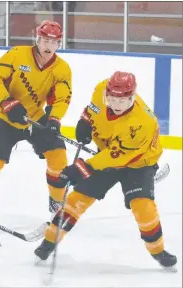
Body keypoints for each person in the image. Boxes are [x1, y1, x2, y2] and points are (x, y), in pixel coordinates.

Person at [34, 71, 177, 271]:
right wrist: (84, 122)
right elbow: (91, 110)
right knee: (77, 200)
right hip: (107, 153)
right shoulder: (102, 89)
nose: (116, 105)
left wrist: (79, 169)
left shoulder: (142, 122)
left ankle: (158, 251)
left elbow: (113, 157)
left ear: (132, 97)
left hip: (138, 164)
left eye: (123, 100)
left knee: (143, 207)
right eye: (112, 99)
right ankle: (48, 243)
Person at [0, 20, 73, 227]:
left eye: (53, 42)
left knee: (58, 155)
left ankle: (56, 202)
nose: (48, 46)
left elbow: (60, 99)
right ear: (37, 38)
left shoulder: (62, 69)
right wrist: (8, 103)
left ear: (59, 44)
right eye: (44, 40)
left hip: (34, 118)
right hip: (4, 117)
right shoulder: (17, 54)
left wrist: (53, 120)